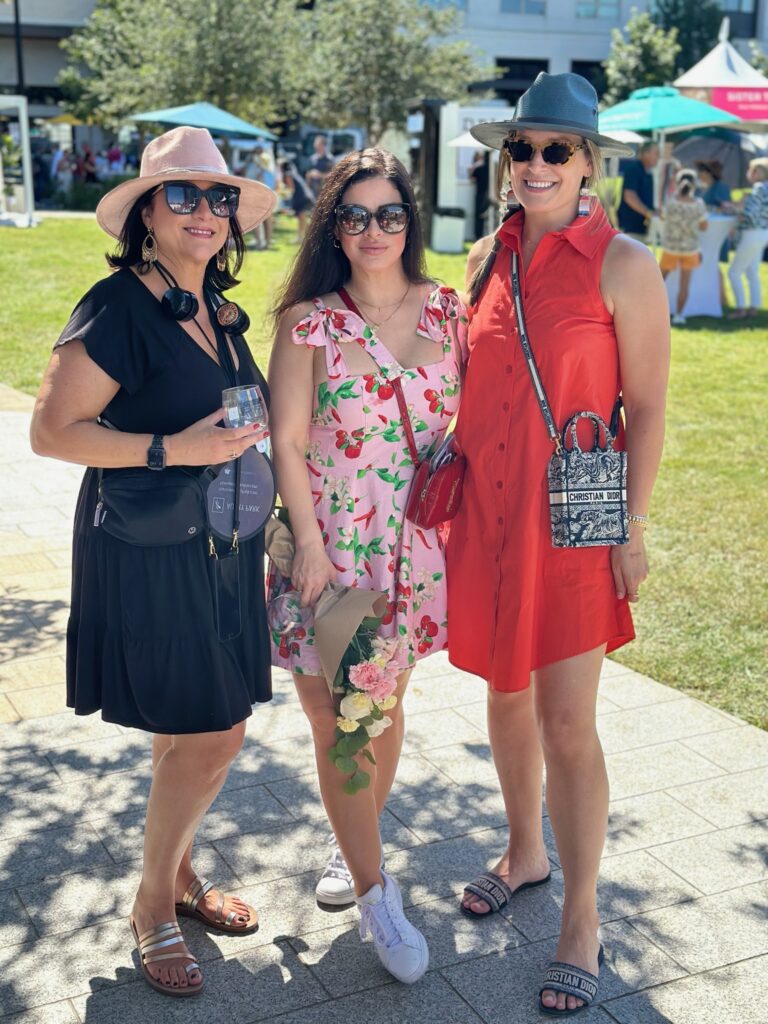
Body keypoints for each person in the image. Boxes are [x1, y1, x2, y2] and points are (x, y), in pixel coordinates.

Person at [29, 126, 276, 998]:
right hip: (147, 547)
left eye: (218, 198)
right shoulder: (120, 304)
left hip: (215, 544)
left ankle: (177, 874)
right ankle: (149, 906)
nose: (203, 212)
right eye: (181, 196)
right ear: (145, 213)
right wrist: (176, 447)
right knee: (216, 732)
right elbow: (53, 433)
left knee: (185, 730)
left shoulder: (218, 308)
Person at [447, 73, 670, 1016]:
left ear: (588, 164)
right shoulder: (483, 261)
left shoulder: (622, 261)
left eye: (557, 151)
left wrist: (632, 526)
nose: (535, 164)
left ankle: (582, 915)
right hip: (487, 520)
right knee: (503, 696)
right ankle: (523, 850)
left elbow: (650, 409)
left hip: (574, 525)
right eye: (523, 149)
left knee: (568, 724)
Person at [268, 147, 467, 985]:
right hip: (335, 553)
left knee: (381, 711)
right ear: (335, 229)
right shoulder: (310, 321)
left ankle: (354, 842)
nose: (374, 229)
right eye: (356, 216)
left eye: (390, 214)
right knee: (341, 722)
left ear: (409, 223)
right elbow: (283, 438)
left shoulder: (449, 310)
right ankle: (378, 893)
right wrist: (309, 548)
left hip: (414, 553)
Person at [659, 168, 708, 325]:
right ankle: (679, 315)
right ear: (694, 185)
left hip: (670, 247)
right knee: (684, 285)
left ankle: (650, 309)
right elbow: (704, 226)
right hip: (690, 249)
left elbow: (663, 217)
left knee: (658, 281)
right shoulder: (698, 204)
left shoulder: (671, 202)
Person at [727, 157, 768, 319]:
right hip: (763, 233)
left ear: (757, 172)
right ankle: (753, 307)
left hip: (752, 233)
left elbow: (749, 215)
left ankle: (740, 308)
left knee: (734, 272)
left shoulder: (758, 188)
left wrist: (734, 208)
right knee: (752, 271)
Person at [617, 140, 659, 239]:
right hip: (631, 227)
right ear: (646, 153)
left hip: (641, 227)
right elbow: (629, 197)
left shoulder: (649, 173)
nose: (658, 157)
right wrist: (649, 213)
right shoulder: (634, 169)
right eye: (656, 153)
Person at [305, 133, 335, 199]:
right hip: (313, 191)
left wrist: (320, 175)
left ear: (323, 145)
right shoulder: (312, 158)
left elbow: (333, 175)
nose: (315, 146)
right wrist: (307, 185)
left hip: (325, 191)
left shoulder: (329, 159)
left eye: (318, 144)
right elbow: (308, 173)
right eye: (315, 144)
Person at [469, 149, 490, 240]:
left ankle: (478, 236)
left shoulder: (478, 167)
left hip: (480, 194)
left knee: (478, 216)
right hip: (489, 194)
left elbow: (472, 180)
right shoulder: (491, 168)